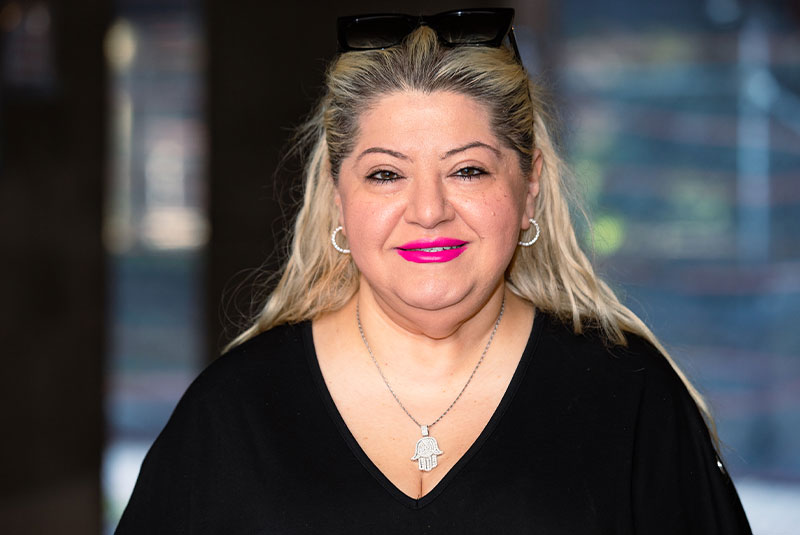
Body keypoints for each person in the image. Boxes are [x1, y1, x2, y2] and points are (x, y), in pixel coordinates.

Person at [116, 8, 752, 534]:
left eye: (468, 170)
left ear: (528, 188)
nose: (428, 211)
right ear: (339, 198)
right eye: (386, 174)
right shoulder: (230, 414)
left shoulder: (632, 397)